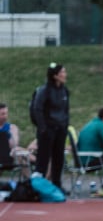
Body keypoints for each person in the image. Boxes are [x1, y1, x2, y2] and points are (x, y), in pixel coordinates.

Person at [29, 62, 70, 191]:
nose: (65, 74)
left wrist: (65, 125)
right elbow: (37, 109)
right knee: (43, 159)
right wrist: (43, 128)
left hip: (60, 129)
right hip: (47, 130)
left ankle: (57, 185)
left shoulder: (64, 91)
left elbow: (66, 110)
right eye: (62, 72)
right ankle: (38, 187)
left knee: (59, 158)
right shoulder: (44, 91)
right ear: (55, 76)